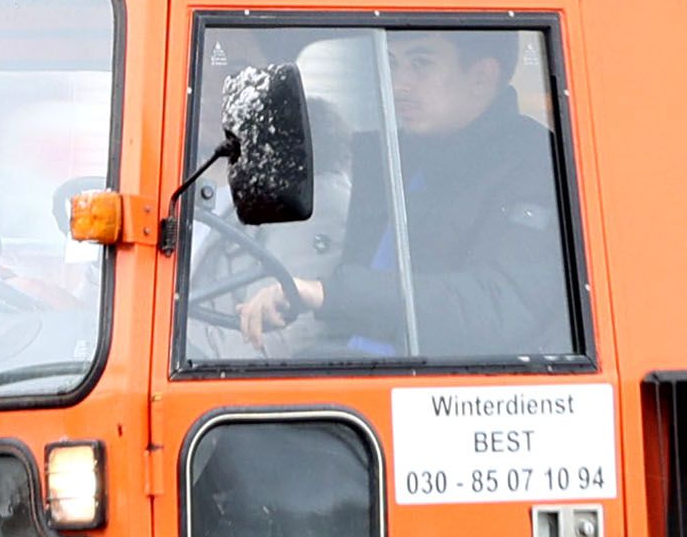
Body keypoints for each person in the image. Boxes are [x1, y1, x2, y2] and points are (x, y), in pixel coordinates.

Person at [229, 27, 570, 360]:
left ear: (481, 78)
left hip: (458, 386)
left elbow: (499, 306)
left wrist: (329, 294)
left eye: (421, 63)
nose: (399, 85)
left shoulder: (537, 163)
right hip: (358, 368)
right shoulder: (390, 157)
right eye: (392, 64)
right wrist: (298, 300)